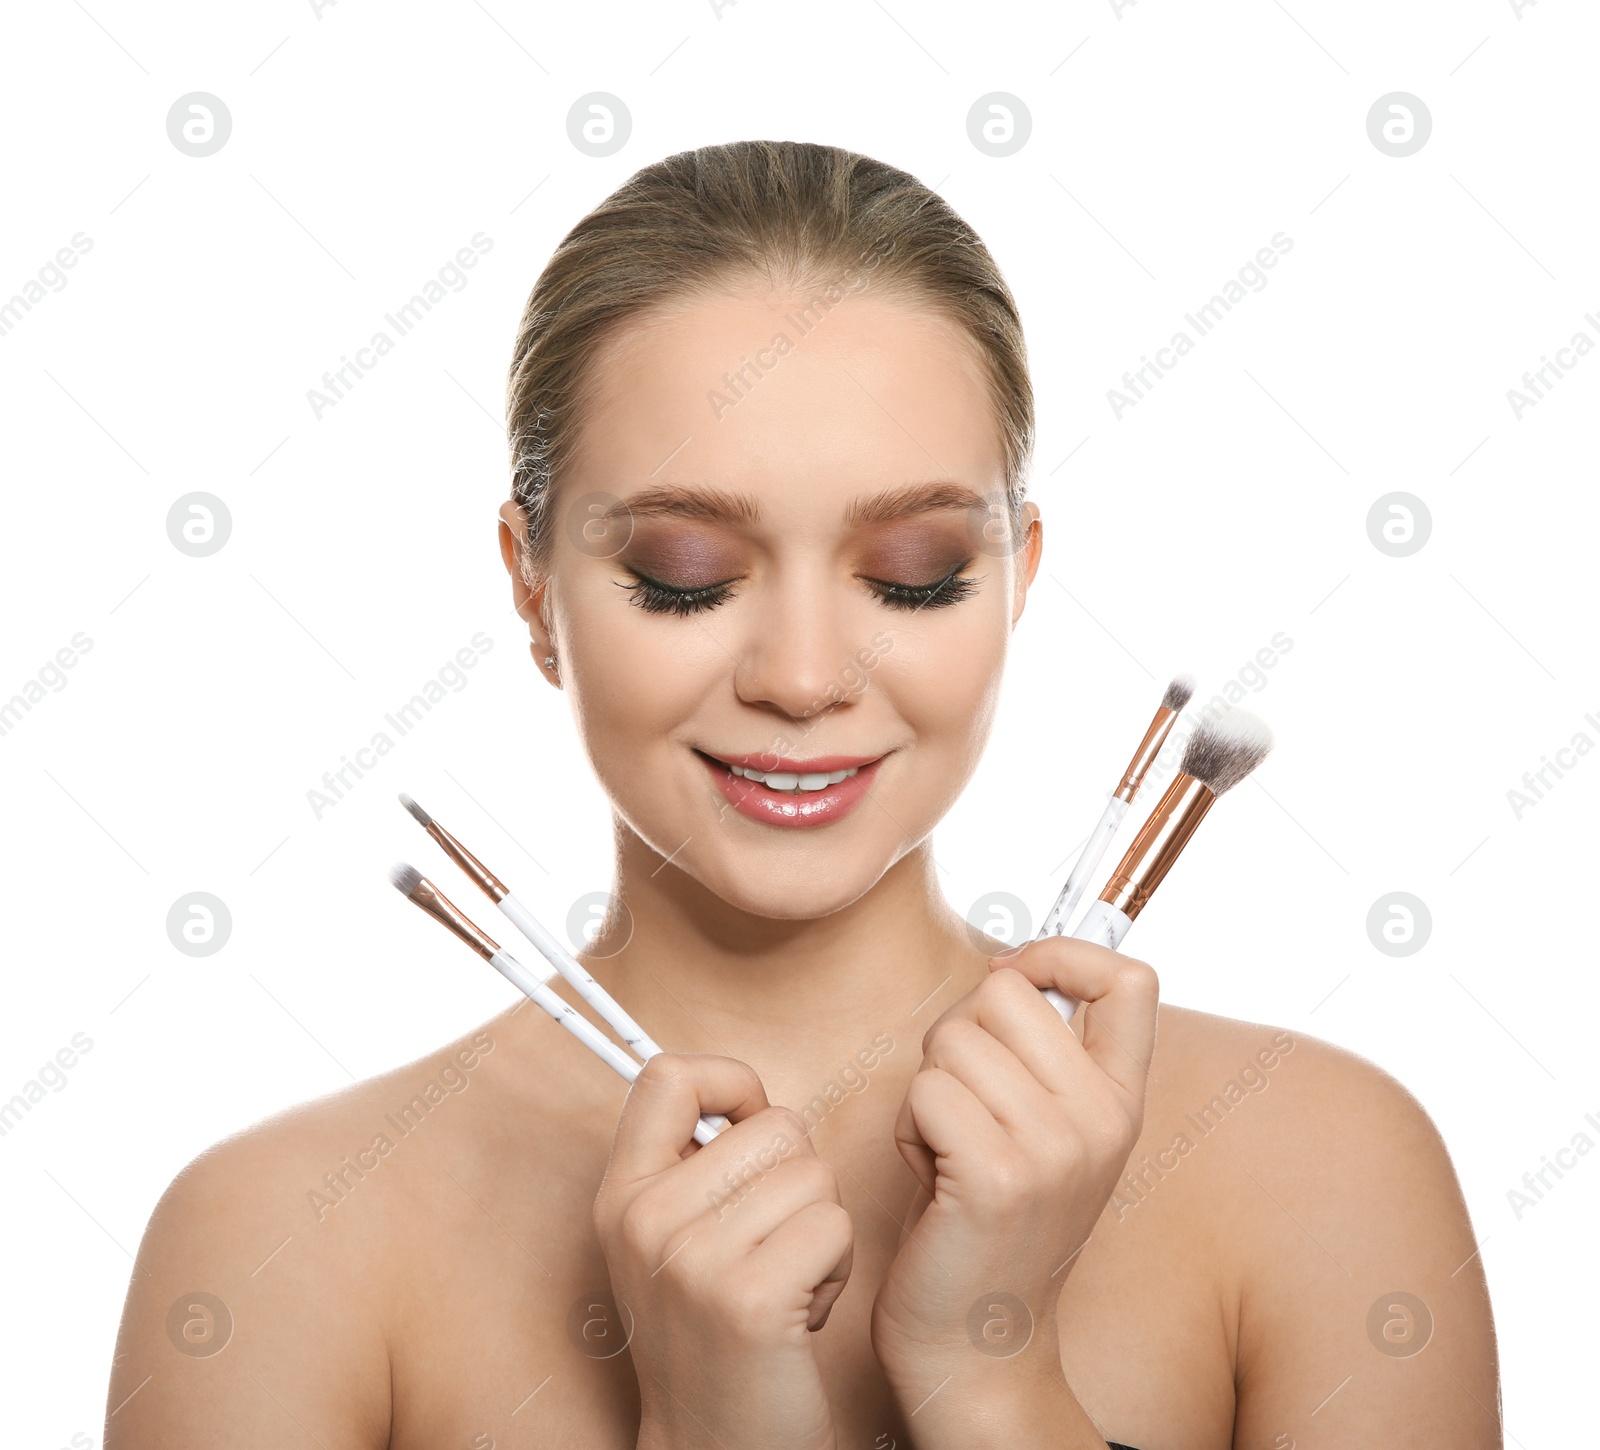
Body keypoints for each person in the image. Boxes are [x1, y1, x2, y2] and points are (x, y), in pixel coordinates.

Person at [105, 139, 1501, 1450]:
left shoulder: (1327, 1167)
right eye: (686, 575)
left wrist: (989, 1368)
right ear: (533, 589)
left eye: (910, 574)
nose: (805, 674)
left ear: (1016, 578)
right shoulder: (273, 1241)